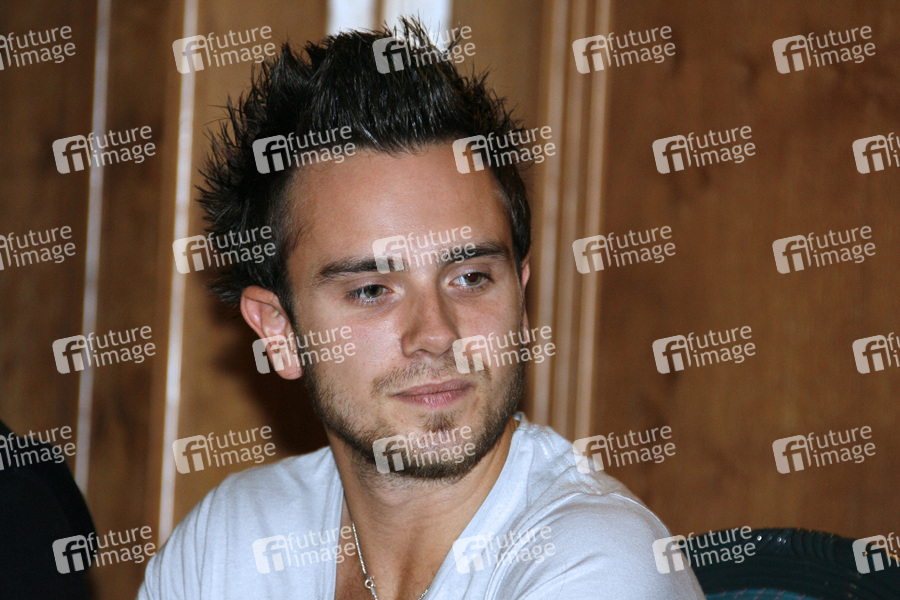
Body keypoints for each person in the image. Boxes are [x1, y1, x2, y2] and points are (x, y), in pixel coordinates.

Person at [139, 17, 705, 599]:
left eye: (470, 278)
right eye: (371, 291)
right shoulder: (229, 545)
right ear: (279, 332)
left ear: (520, 298)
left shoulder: (596, 562)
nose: (437, 334)